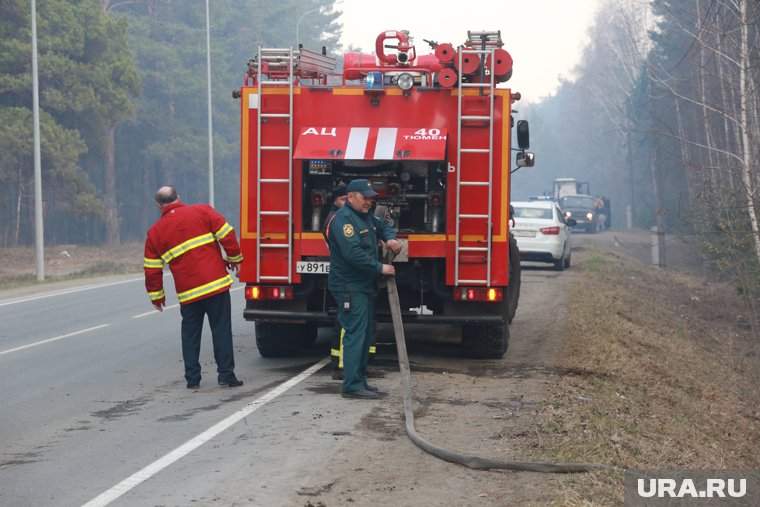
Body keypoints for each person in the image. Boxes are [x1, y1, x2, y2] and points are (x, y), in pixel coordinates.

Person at [143, 185, 244, 390]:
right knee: (221, 330)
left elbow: (152, 269)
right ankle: (226, 374)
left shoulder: (154, 233)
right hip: (216, 285)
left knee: (190, 334)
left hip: (188, 293)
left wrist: (157, 297)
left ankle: (192, 379)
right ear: (178, 197)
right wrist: (235, 259)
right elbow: (227, 233)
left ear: (158, 205)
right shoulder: (202, 211)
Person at [326, 179, 401, 399]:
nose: (369, 201)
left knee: (365, 333)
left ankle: (360, 380)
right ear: (350, 197)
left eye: (370, 198)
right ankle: (351, 386)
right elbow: (353, 254)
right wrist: (380, 268)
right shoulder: (344, 221)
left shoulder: (365, 217)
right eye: (364, 197)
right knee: (355, 334)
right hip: (350, 285)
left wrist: (390, 238)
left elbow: (383, 225)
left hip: (363, 285)